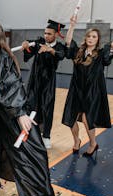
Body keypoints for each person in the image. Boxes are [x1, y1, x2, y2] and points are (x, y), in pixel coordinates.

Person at [0, 21, 55, 196]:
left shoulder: (4, 57)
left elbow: (14, 85)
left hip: (11, 112)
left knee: (30, 151)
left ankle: (44, 193)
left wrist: (21, 113)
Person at [62, 15, 113, 156]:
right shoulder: (78, 52)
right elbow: (68, 42)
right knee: (71, 118)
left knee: (87, 119)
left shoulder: (100, 54)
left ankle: (93, 143)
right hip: (76, 89)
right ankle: (76, 141)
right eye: (89, 36)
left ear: (97, 40)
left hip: (92, 91)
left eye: (94, 37)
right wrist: (72, 25)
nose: (91, 38)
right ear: (86, 38)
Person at [21, 19, 65, 149]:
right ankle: (28, 134)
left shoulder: (59, 47)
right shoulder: (39, 42)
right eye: (45, 33)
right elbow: (28, 52)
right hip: (34, 80)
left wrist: (49, 50)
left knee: (47, 107)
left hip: (48, 82)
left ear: (56, 34)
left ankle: (46, 136)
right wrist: (26, 46)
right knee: (31, 105)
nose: (46, 36)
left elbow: (60, 55)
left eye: (49, 34)